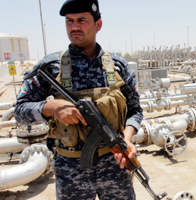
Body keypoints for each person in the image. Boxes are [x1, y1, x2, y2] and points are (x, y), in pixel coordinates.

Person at [14, 0, 143, 199]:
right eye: (69, 21)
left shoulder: (118, 65)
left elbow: (135, 110)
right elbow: (20, 111)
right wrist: (51, 107)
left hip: (114, 166)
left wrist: (126, 138)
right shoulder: (50, 66)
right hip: (71, 171)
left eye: (81, 20)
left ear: (98, 25)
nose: (74, 26)